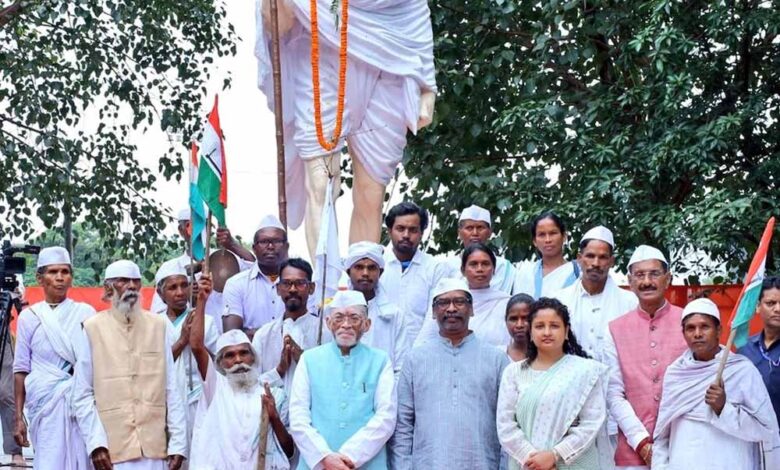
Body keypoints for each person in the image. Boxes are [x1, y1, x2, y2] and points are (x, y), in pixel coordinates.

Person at [255, 0, 436, 255]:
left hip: (387, 59)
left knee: (371, 193)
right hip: (320, 52)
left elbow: (413, 10)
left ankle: (363, 273)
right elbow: (279, 26)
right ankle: (324, 276)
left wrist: (427, 83)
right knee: (321, 183)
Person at [72, 260, 187, 470]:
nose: (131, 286)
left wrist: (178, 443)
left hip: (154, 448)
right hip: (112, 450)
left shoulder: (158, 326)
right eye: (123, 281)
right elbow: (82, 394)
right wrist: (96, 444)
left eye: (136, 281)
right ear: (108, 288)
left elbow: (171, 388)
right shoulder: (92, 328)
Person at [391, 278, 509, 469]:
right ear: (433, 312)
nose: (451, 308)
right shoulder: (415, 359)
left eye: (459, 302)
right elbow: (403, 423)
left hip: (482, 463)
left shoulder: (497, 359)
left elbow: (507, 422)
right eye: (443, 303)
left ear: (472, 309)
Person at [652, 298, 780, 470]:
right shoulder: (676, 373)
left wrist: (723, 409)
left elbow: (764, 430)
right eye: (690, 328)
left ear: (718, 330)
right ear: (683, 333)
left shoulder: (741, 371)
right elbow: (662, 433)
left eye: (704, 326)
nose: (697, 334)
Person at [189, 274, 294, 470]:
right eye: (230, 355)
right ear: (221, 363)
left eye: (244, 353)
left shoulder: (274, 395)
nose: (238, 360)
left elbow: (289, 451)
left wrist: (274, 417)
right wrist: (202, 300)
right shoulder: (216, 387)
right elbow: (196, 346)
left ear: (253, 358)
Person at [497, 297, 612, 469]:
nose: (547, 332)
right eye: (539, 326)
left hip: (574, 463)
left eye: (554, 326)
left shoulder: (586, 372)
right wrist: (534, 460)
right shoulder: (514, 373)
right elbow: (505, 425)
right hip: (527, 464)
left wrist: (554, 455)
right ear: (531, 332)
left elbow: (591, 422)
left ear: (566, 331)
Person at [290, 290, 396, 470]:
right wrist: (324, 457)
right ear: (328, 322)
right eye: (339, 318)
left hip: (366, 464)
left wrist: (348, 457)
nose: (346, 325)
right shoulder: (309, 359)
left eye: (354, 318)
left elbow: (386, 417)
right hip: (317, 463)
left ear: (367, 324)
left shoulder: (380, 361)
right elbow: (298, 416)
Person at [604, 245, 688, 469]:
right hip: (632, 451)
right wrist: (641, 442)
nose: (647, 281)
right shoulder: (615, 329)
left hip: (684, 443)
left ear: (668, 279)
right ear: (630, 282)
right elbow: (614, 393)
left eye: (654, 274)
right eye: (640, 275)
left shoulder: (689, 323)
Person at [12, 247, 95, 469]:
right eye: (53, 272)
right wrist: (18, 418)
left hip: (80, 403)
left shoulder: (86, 314)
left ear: (71, 278)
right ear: (40, 278)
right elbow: (21, 369)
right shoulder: (29, 317)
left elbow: (95, 364)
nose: (60, 277)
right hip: (44, 404)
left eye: (65, 272)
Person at [151, 208, 255, 330]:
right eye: (192, 226)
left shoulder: (223, 258)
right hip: (188, 337)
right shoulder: (170, 268)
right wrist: (187, 299)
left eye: (204, 225)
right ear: (181, 230)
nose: (199, 231)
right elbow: (159, 315)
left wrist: (232, 244)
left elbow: (254, 269)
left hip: (224, 335)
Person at [153, 263, 219, 458]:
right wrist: (182, 341)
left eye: (184, 285)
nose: (180, 292)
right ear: (160, 293)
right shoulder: (152, 323)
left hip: (199, 399)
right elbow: (154, 367)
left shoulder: (206, 320)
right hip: (164, 402)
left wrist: (197, 342)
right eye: (173, 288)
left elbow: (216, 363)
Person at [555, 225, 638, 363]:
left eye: (603, 257)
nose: (596, 263)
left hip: (616, 376)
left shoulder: (631, 303)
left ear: (612, 261)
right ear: (579, 258)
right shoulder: (561, 300)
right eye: (590, 256)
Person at [252, 258, 331, 394]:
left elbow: (332, 380)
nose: (293, 289)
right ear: (278, 289)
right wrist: (279, 370)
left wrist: (304, 360)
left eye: (300, 283)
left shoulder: (325, 331)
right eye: (286, 284)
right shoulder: (264, 335)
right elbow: (252, 386)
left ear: (311, 288)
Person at [416, 243, 511, 347]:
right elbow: (426, 337)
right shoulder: (446, 301)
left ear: (494, 269)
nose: (480, 269)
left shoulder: (506, 302)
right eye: (473, 264)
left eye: (485, 264)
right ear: (463, 270)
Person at [380, 202, 449, 342]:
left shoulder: (435, 268)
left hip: (422, 348)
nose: (406, 235)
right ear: (389, 231)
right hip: (379, 347)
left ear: (421, 233)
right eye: (400, 229)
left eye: (413, 230)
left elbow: (434, 315)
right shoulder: (376, 265)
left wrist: (418, 350)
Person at [343, 241, 412, 376]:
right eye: (359, 267)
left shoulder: (394, 315)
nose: (365, 273)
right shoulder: (335, 313)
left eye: (371, 268)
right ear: (348, 272)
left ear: (380, 272)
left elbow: (401, 366)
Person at [223, 214, 290, 338]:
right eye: (264, 242)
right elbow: (232, 336)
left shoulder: (300, 283)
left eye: (277, 241)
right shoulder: (236, 284)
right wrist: (280, 334)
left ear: (286, 247)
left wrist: (253, 333)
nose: (270, 246)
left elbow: (306, 327)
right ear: (254, 248)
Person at [443, 205, 516, 293]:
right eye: (469, 228)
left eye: (480, 228)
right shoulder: (446, 266)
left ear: (489, 232)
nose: (475, 233)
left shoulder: (504, 267)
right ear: (459, 233)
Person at [737, 276, 780, 425]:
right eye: (771, 303)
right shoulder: (744, 349)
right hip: (753, 433)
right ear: (758, 306)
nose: (778, 309)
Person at [514, 211, 579, 298]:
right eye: (542, 235)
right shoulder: (526, 273)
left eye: (553, 233)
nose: (548, 240)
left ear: (564, 236)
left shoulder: (577, 272)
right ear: (534, 241)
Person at [504, 294, 533, 362]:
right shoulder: (497, 355)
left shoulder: (547, 356)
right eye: (513, 319)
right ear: (506, 320)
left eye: (525, 318)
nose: (519, 325)